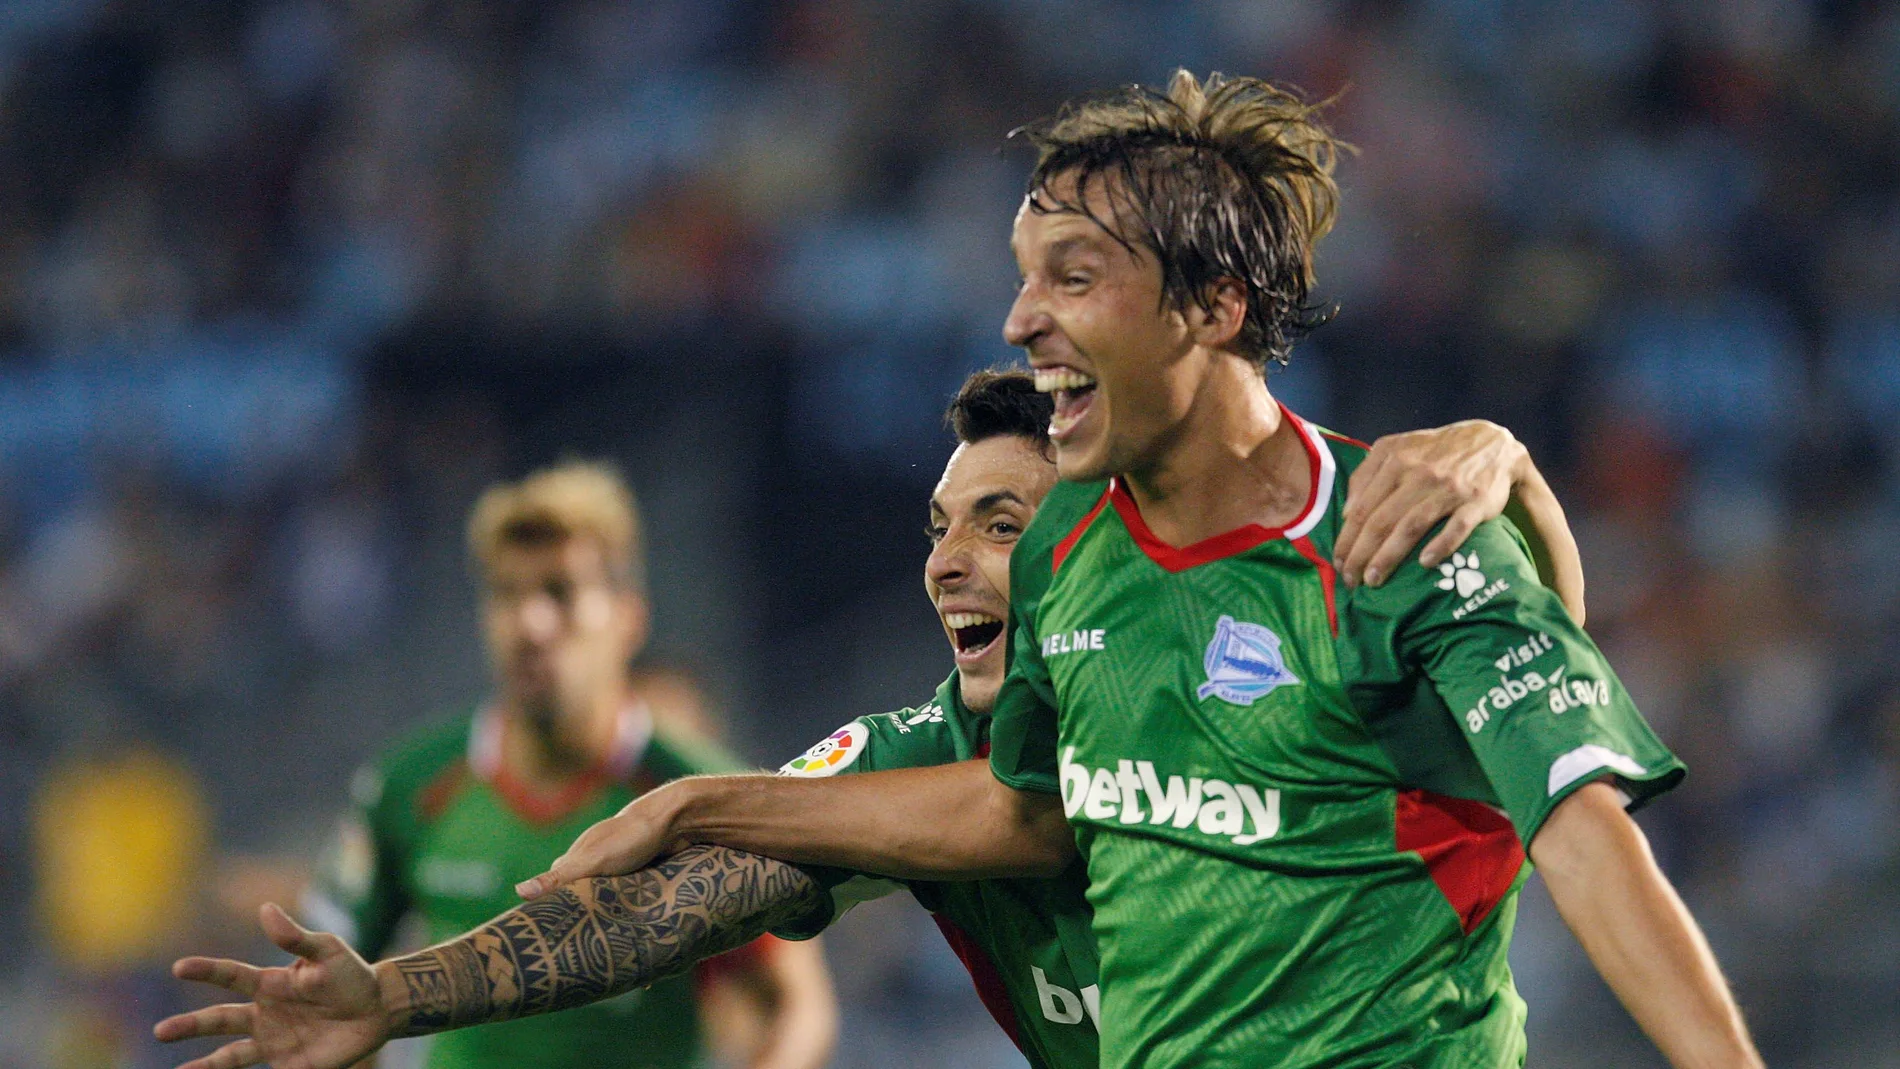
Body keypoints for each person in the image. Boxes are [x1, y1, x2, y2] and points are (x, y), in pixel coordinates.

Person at [521, 74, 1762, 1068]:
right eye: (1022, 276)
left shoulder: (1404, 531)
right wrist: (694, 803)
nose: (1019, 320)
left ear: (1212, 304)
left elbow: (1587, 842)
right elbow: (1017, 807)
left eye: (1072, 277)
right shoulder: (1067, 547)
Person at [154, 368, 1587, 1069]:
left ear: (1108, 545)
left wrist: (1510, 474)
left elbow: (1541, 694)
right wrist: (395, 994)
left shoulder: (1285, 677)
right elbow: (683, 903)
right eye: (936, 525)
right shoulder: (913, 764)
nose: (948, 559)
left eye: (1002, 521)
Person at [293, 461, 838, 1069]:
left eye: (560, 592)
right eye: (507, 594)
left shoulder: (705, 799)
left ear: (628, 616)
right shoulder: (409, 786)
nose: (530, 624)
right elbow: (329, 996)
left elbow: (796, 1005)